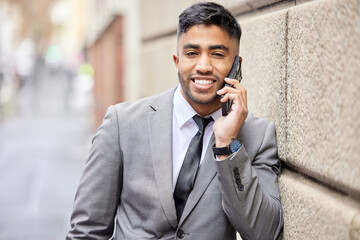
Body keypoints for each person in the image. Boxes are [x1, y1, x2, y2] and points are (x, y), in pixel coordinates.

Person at [66, 2, 283, 240]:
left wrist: (227, 145)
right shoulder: (122, 124)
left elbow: (265, 234)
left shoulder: (257, 136)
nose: (203, 66)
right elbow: (87, 231)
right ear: (176, 61)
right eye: (191, 53)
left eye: (218, 54)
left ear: (236, 67)